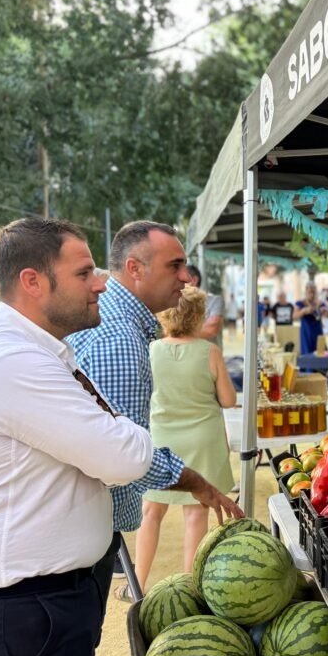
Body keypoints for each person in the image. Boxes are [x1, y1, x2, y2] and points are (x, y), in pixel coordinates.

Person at [0, 218, 157, 656]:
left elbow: (111, 440)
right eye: (84, 273)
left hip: (33, 607)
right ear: (32, 281)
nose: (100, 284)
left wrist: (117, 430)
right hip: (18, 613)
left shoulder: (38, 350)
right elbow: (124, 458)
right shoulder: (14, 362)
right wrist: (128, 431)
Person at [67, 220, 241, 607]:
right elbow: (117, 456)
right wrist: (195, 481)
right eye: (174, 266)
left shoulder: (126, 329)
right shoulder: (121, 342)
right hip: (83, 535)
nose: (185, 276)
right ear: (135, 268)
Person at [135, 287, 237, 591]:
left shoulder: (150, 349)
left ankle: (136, 584)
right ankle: (190, 587)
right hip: (203, 440)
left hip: (162, 438)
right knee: (196, 513)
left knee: (151, 512)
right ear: (198, 316)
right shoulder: (210, 351)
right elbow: (229, 400)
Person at [185, 264, 224, 351]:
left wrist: (178, 334)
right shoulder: (175, 304)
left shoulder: (215, 301)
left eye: (182, 280)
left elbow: (211, 330)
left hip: (210, 361)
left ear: (194, 280)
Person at [294, 281, 328, 356]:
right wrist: (303, 311)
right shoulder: (300, 303)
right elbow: (294, 316)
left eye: (314, 292)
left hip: (318, 332)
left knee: (321, 353)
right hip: (306, 332)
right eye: (310, 292)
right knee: (307, 354)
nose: (312, 294)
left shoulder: (320, 303)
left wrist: (325, 311)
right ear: (306, 291)